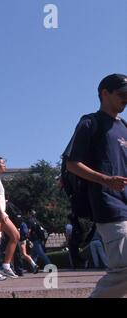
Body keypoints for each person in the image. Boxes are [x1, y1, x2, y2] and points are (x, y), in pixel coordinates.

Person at [63, 73, 127, 298]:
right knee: (124, 268)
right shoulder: (91, 122)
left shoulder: (125, 127)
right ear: (104, 94)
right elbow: (72, 164)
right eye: (122, 94)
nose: (126, 99)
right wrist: (105, 180)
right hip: (109, 204)